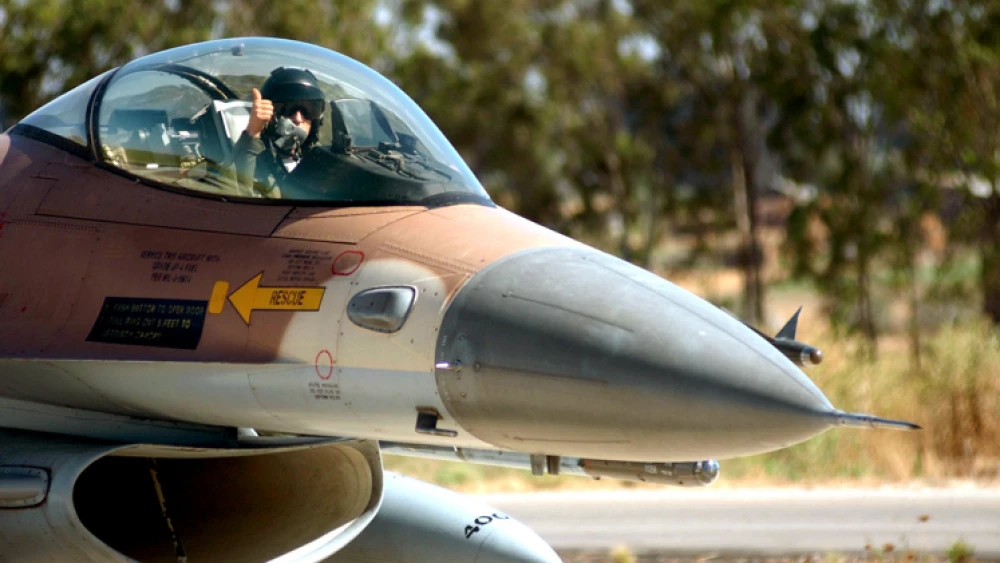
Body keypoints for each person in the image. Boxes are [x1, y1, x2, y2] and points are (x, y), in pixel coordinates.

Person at [232, 67, 325, 198]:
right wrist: (252, 133)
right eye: (287, 109)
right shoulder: (254, 161)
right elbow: (236, 193)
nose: (298, 119)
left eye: (307, 111)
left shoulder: (321, 164)